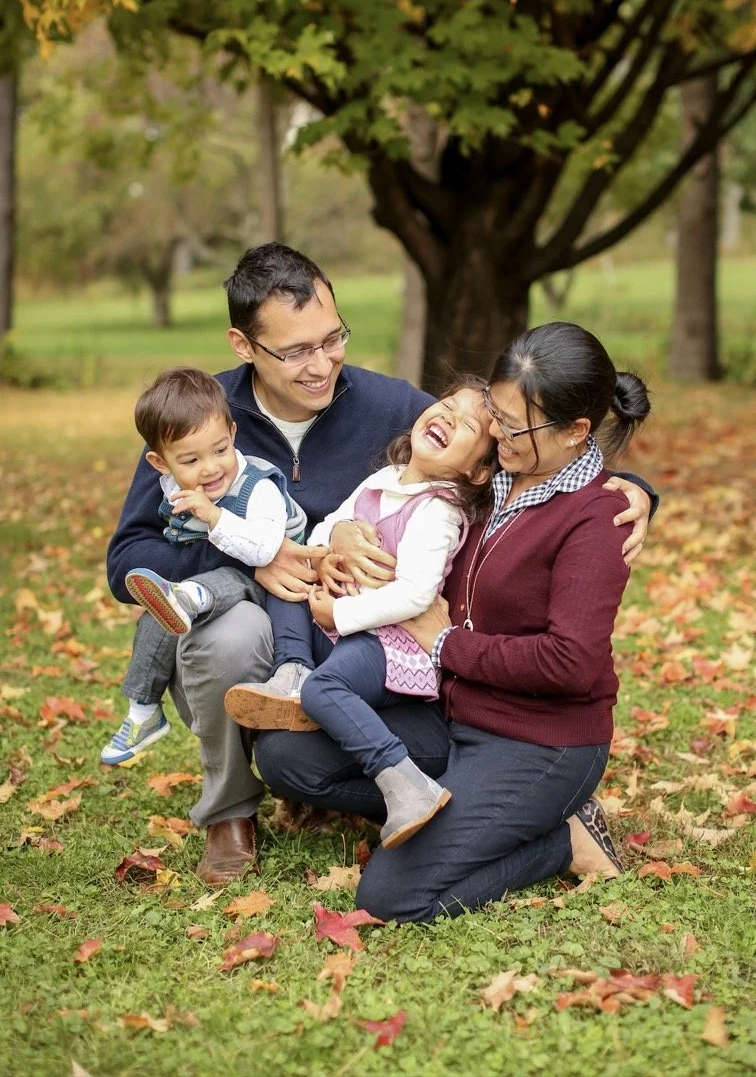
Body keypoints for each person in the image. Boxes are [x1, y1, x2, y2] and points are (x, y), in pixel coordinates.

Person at [106, 244, 654, 884]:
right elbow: (128, 562)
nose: (323, 364)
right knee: (231, 638)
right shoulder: (198, 418)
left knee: (303, 744)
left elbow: (503, 444)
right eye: (296, 351)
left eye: (332, 338)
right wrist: (252, 555)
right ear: (242, 344)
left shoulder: (391, 405)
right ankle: (230, 812)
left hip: (369, 631)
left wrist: (634, 487)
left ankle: (483, 806)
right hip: (259, 613)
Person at [254, 321, 650, 922]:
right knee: (289, 758)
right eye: (495, 410)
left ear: (576, 432)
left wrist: (446, 643)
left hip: (536, 740)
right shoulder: (491, 480)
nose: (496, 432)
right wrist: (340, 528)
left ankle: (565, 840)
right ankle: (455, 811)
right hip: (453, 715)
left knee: (391, 896)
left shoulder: (596, 521)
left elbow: (569, 663)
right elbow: (403, 491)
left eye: (515, 426)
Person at [225, 382, 497, 849]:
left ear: (477, 471)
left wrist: (340, 613)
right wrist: (331, 548)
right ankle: (290, 669)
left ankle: (404, 782)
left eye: (467, 424)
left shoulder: (439, 511)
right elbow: (328, 521)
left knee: (325, 689)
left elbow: (415, 597)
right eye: (447, 405)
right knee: (289, 583)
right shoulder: (385, 478)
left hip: (391, 642)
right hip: (350, 623)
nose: (449, 417)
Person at [100, 367, 307, 765]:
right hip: (222, 581)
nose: (210, 468)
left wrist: (213, 518)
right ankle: (143, 711)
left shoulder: (257, 485)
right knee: (155, 619)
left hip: (279, 589)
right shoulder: (173, 486)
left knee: (223, 578)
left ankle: (192, 596)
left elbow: (264, 553)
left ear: (232, 434)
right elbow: (127, 554)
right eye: (191, 459)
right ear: (160, 463)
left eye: (219, 451)